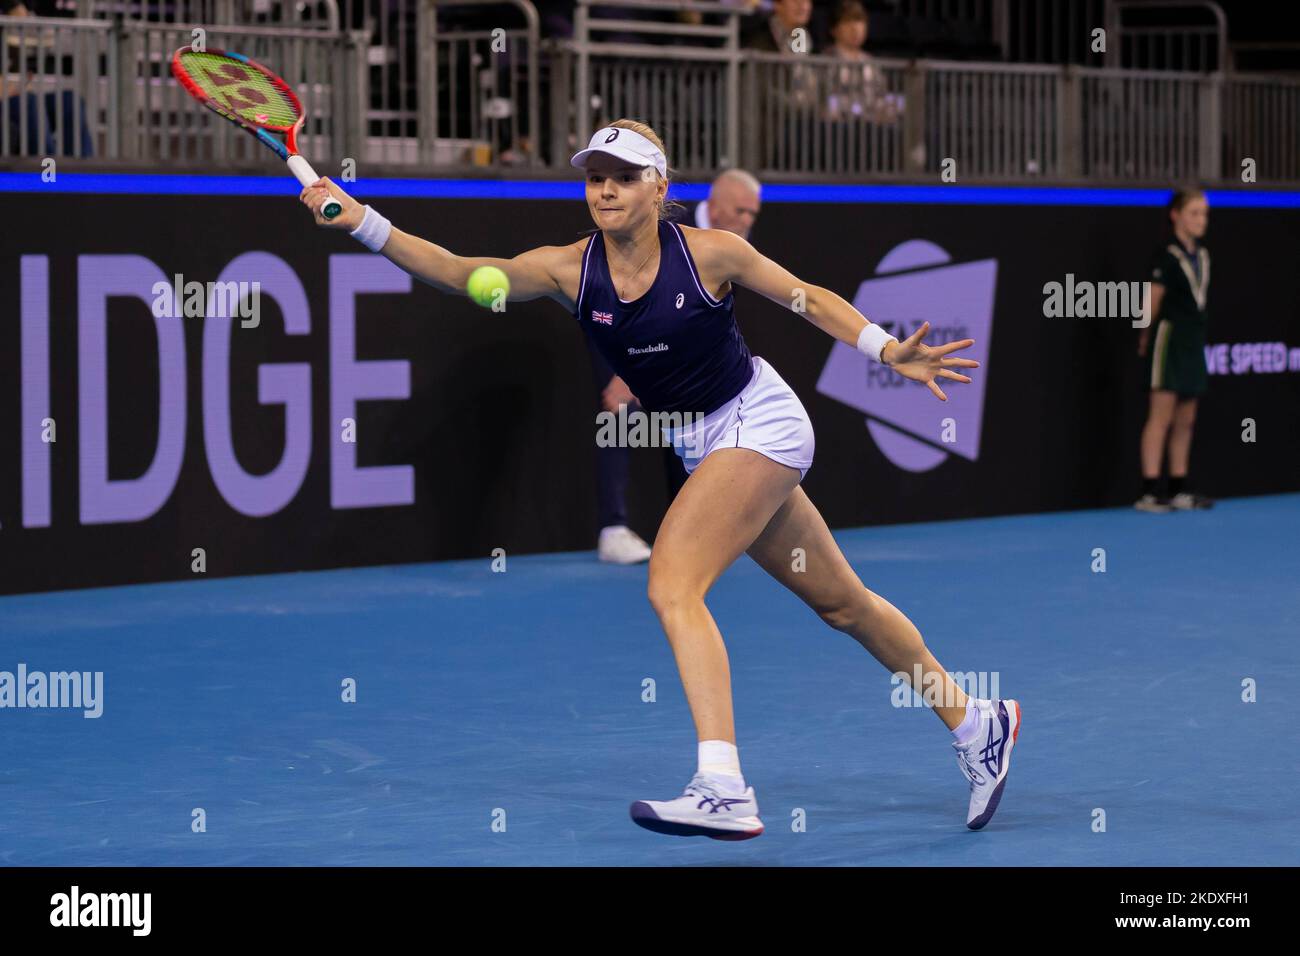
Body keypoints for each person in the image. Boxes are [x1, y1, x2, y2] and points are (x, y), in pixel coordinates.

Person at [299, 119, 1021, 840]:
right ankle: (976, 720)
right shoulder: (566, 270)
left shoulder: (711, 252)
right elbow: (459, 272)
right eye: (595, 178)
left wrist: (886, 349)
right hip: (704, 443)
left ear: (659, 187)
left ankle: (723, 786)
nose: (606, 190)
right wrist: (362, 220)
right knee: (844, 605)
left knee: (673, 584)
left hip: (759, 422)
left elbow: (806, 295)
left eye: (624, 177)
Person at [1135, 188, 1215, 512]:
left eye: (1204, 213)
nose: (1201, 220)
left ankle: (1179, 487)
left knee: (1186, 418)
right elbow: (1152, 300)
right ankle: (1150, 491)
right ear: (1176, 215)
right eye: (1194, 213)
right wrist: (1144, 334)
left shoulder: (1204, 256)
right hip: (1167, 341)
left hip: (1192, 341)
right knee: (1161, 416)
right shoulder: (1166, 255)